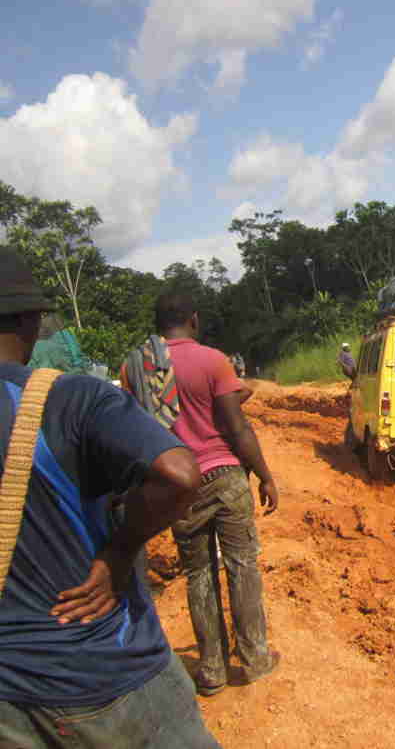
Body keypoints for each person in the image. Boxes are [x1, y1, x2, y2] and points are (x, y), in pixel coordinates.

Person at [0, 250, 220, 748]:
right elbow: (179, 474)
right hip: (100, 669)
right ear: (30, 320)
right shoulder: (68, 398)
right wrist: (119, 551)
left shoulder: (125, 370)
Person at [123, 293, 281, 697]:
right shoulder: (212, 360)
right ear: (193, 319)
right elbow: (236, 426)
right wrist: (264, 476)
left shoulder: (134, 368)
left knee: (198, 574)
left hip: (178, 483)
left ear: (158, 323)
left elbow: (134, 429)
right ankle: (255, 658)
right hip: (224, 475)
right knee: (242, 566)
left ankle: (212, 670)